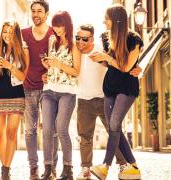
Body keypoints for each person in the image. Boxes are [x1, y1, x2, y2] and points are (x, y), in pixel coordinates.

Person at [90, 4, 143, 180]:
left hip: (127, 88)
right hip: (110, 87)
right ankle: (133, 166)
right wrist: (100, 59)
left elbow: (126, 67)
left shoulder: (134, 39)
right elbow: (110, 64)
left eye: (107, 18)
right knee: (114, 127)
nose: (104, 21)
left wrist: (107, 58)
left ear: (116, 20)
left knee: (114, 124)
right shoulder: (106, 37)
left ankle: (105, 166)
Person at [40, 11, 81, 180]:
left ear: (67, 25)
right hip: (49, 89)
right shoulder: (51, 41)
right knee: (47, 131)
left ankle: (68, 169)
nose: (56, 29)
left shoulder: (74, 45)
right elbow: (52, 66)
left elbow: (76, 71)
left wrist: (58, 64)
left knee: (62, 129)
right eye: (54, 25)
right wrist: (47, 68)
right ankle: (49, 169)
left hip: (67, 92)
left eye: (59, 25)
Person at [21, 0, 58, 179]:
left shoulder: (54, 33)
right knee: (30, 130)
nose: (36, 14)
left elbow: (61, 60)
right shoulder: (23, 34)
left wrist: (50, 73)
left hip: (49, 89)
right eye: (33, 11)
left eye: (40, 11)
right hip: (27, 87)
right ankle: (33, 167)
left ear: (46, 14)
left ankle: (51, 167)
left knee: (51, 129)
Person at [0, 20, 29, 180]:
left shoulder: (23, 51)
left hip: (16, 95)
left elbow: (23, 77)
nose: (7, 35)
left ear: (16, 34)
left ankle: (6, 169)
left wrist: (9, 65)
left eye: (11, 32)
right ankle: (3, 164)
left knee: (11, 133)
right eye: (4, 31)